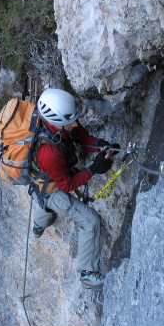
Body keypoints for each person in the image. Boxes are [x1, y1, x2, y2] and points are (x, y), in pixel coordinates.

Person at [30, 88, 118, 290]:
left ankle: (39, 224)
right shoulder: (48, 153)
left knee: (42, 197)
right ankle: (87, 274)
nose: (76, 123)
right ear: (55, 122)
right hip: (51, 187)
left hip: (41, 177)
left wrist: (100, 146)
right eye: (70, 121)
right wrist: (94, 169)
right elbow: (67, 185)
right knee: (90, 220)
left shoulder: (60, 121)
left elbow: (81, 136)